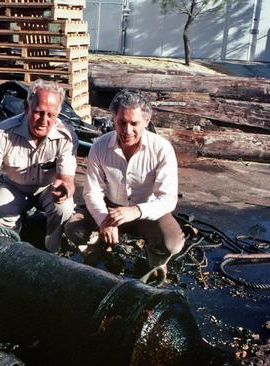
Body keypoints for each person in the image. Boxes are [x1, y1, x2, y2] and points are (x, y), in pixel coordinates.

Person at [65, 89, 184, 281]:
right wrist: (104, 219)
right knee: (73, 228)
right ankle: (97, 253)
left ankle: (153, 264)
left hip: (147, 211)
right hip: (110, 207)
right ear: (114, 119)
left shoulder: (162, 149)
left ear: (147, 121)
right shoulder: (100, 146)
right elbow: (91, 192)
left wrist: (135, 211)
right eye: (122, 123)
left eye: (134, 123)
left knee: (172, 243)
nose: (127, 131)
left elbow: (168, 199)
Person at [0, 79, 78, 253]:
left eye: (50, 115)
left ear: (58, 114)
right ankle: (10, 243)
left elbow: (66, 179)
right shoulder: (4, 131)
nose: (43, 120)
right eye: (38, 112)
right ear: (26, 107)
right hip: (14, 186)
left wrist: (65, 189)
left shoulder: (66, 135)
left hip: (47, 188)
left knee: (64, 208)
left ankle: (51, 249)